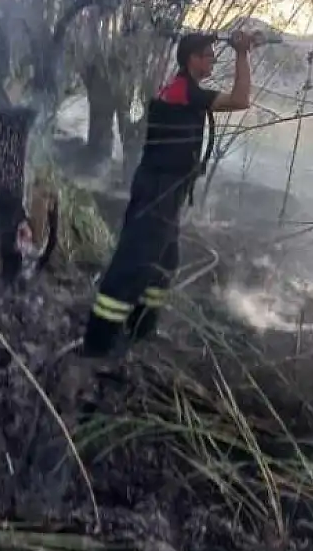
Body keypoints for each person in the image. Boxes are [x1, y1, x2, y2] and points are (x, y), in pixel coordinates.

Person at [56, 27, 258, 411]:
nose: (213, 60)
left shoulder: (182, 89)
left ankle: (139, 333)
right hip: (158, 191)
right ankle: (97, 345)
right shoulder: (184, 89)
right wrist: (243, 53)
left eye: (215, 55)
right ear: (191, 59)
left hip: (165, 191)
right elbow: (241, 99)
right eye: (208, 55)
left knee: (164, 264)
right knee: (133, 265)